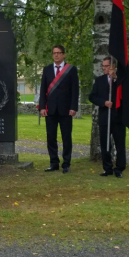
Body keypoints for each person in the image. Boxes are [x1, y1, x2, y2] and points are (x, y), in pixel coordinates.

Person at [38, 45, 79, 173]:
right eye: (54, 53)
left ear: (64, 55)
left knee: (66, 137)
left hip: (66, 110)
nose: (56, 55)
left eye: (59, 53)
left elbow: (75, 90)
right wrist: (42, 107)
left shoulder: (71, 70)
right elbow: (43, 90)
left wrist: (73, 107)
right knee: (51, 137)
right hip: (50, 110)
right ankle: (54, 162)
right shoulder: (47, 69)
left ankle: (66, 164)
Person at [89, 57, 127, 178]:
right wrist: (104, 102)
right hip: (105, 117)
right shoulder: (99, 81)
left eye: (107, 66)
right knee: (105, 144)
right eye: (103, 66)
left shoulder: (121, 80)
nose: (104, 68)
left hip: (118, 118)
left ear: (113, 67)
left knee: (120, 144)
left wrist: (115, 78)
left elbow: (125, 95)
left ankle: (119, 168)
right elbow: (92, 97)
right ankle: (107, 168)